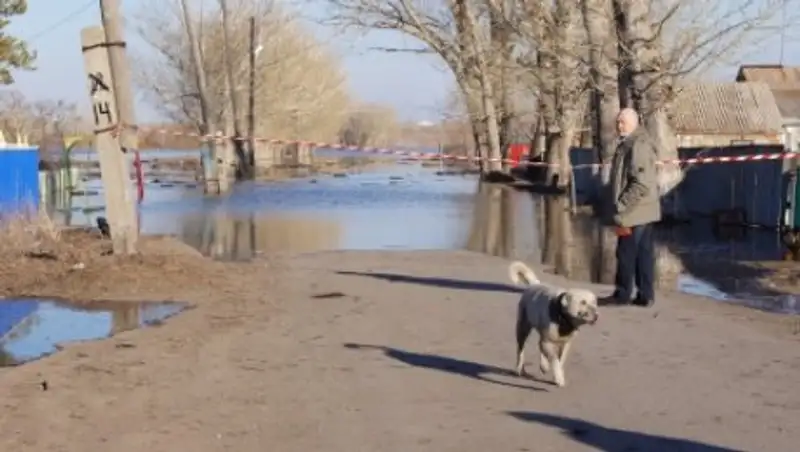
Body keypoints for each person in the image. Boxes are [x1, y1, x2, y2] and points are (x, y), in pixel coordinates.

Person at [601, 108, 661, 307]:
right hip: (643, 211)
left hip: (634, 211)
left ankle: (622, 293)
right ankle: (645, 295)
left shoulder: (637, 145)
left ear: (634, 122)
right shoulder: (629, 143)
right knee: (643, 254)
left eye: (622, 122)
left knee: (626, 253)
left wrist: (622, 205)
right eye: (617, 122)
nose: (619, 126)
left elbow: (641, 182)